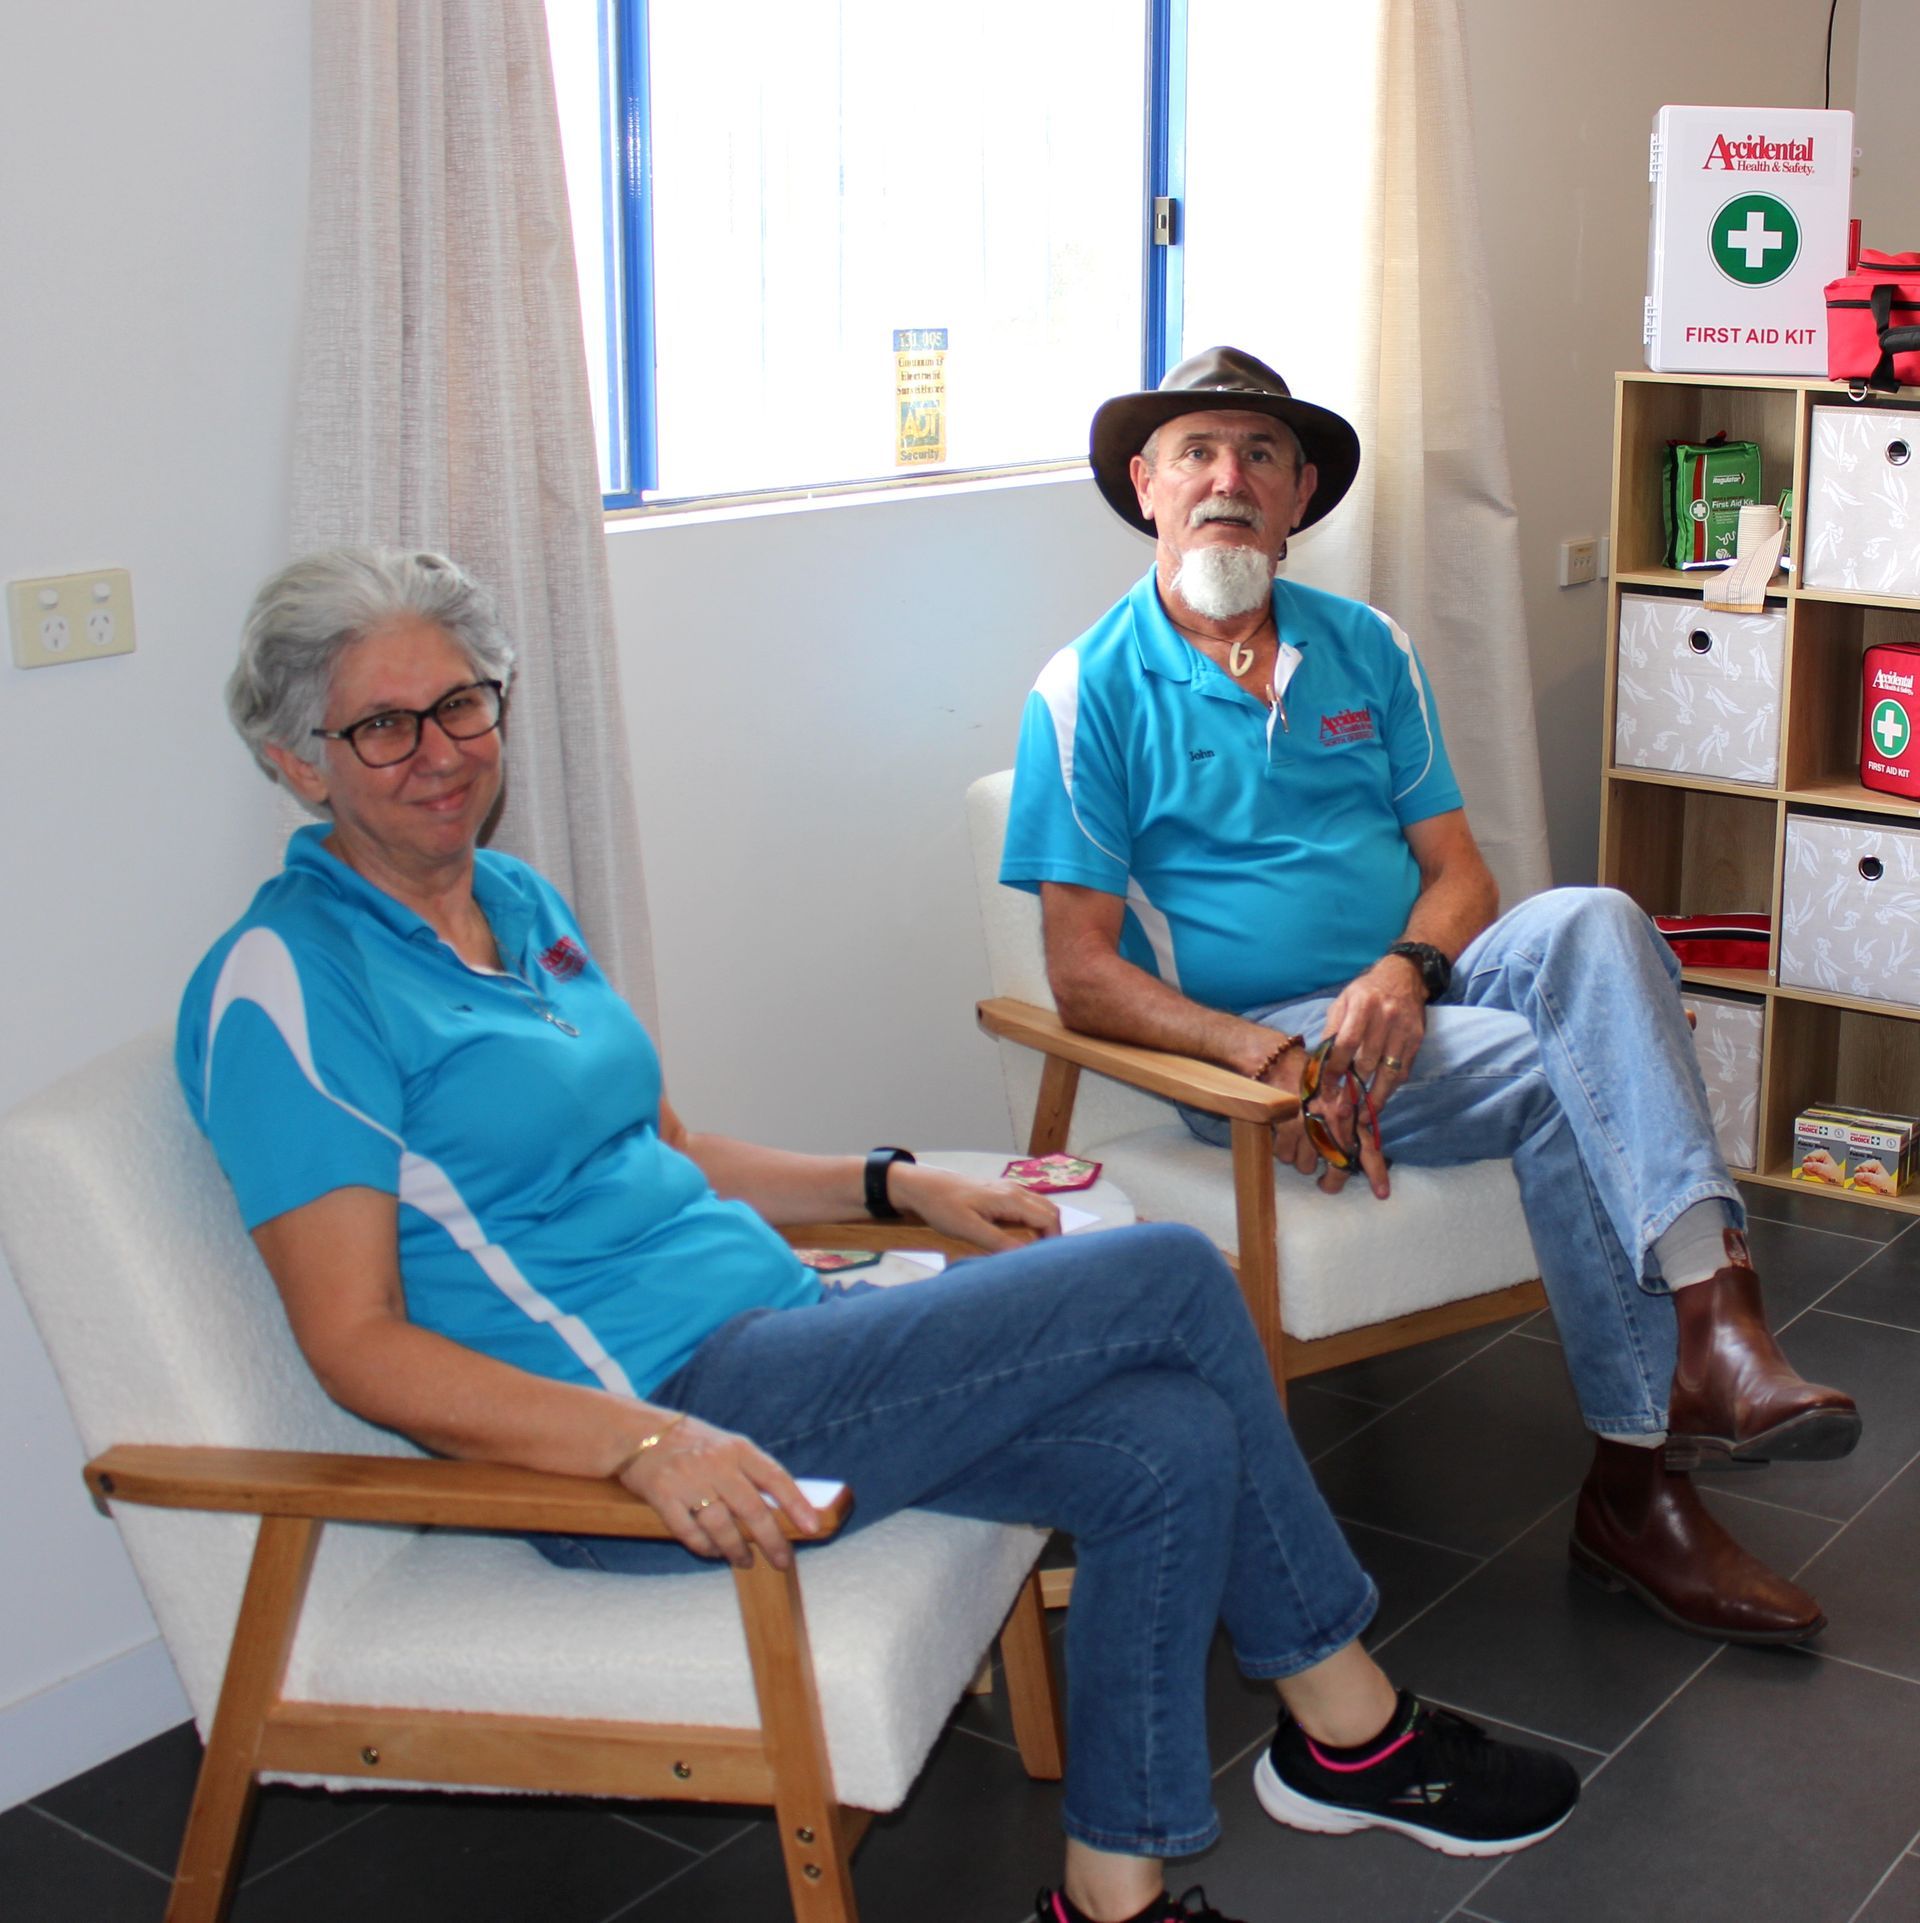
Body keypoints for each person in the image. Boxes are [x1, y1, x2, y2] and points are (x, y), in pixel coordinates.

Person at [177, 549, 1579, 1923]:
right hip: (660, 1434)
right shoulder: (289, 980)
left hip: (786, 1341)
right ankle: (1352, 1727)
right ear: (299, 762)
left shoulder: (516, 903)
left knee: (1168, 1438)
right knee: (1163, 1271)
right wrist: (640, 1444)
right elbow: (354, 1342)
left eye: (462, 704)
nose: (439, 751)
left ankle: (1112, 1894)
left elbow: (664, 1156)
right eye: (381, 726)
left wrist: (897, 1184)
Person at [1002, 346, 1862, 1649]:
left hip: (1413, 996)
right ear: (1145, 484)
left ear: (1299, 499)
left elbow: (1461, 873)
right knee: (1583, 1068)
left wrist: (1410, 971)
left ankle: (1712, 1323)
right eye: (1198, 451)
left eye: (1263, 455)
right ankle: (1647, 1477)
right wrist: (1265, 1061)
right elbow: (1082, 972)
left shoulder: (1368, 648)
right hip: (1261, 1048)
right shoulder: (1088, 690)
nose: (1229, 478)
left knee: (1600, 921)